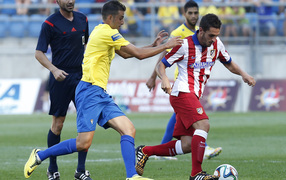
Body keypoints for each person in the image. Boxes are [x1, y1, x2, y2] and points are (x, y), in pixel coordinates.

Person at [24, 1, 183, 180]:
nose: (123, 22)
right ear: (110, 18)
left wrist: (153, 45)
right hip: (89, 91)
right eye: (121, 18)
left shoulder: (104, 31)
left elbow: (127, 53)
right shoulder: (107, 32)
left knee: (128, 129)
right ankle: (40, 155)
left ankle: (132, 176)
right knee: (83, 143)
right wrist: (165, 46)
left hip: (99, 93)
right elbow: (137, 54)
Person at [136, 13, 256, 180]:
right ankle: (196, 174)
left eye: (216, 35)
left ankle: (145, 151)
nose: (214, 39)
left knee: (186, 145)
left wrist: (244, 74)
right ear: (201, 31)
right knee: (204, 125)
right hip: (182, 93)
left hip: (192, 96)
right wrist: (163, 79)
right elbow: (161, 66)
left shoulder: (216, 44)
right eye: (211, 35)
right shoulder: (185, 45)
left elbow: (229, 63)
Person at [146, 0, 222, 161]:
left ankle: (157, 149)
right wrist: (154, 76)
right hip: (181, 81)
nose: (193, 16)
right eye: (190, 13)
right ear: (184, 14)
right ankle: (203, 147)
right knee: (199, 122)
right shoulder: (178, 33)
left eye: (196, 13)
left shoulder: (202, 31)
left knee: (180, 118)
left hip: (195, 84)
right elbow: (164, 55)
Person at [31, 0, 90, 179]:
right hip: (60, 77)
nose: (70, 1)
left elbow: (86, 45)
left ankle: (80, 170)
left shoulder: (83, 19)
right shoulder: (49, 23)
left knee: (86, 124)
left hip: (81, 77)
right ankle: (52, 168)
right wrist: (54, 69)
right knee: (58, 124)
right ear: (57, 1)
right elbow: (39, 53)